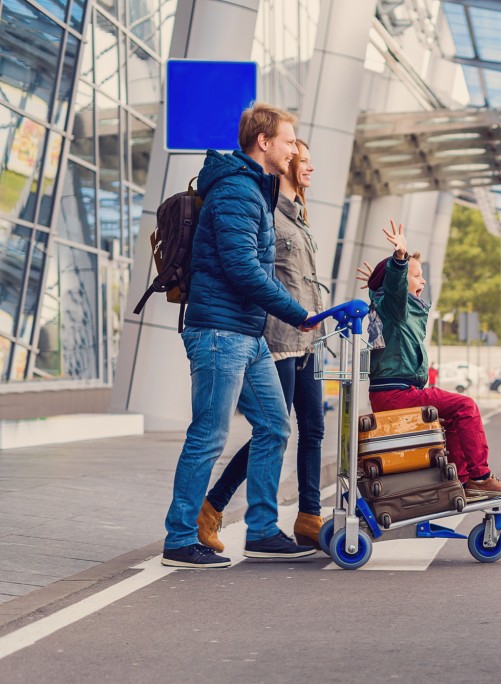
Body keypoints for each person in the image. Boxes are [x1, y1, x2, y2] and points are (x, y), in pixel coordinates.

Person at [161, 103, 320, 569]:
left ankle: (263, 531)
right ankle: (179, 538)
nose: (294, 150)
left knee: (274, 425)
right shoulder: (236, 190)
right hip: (219, 332)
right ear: (264, 142)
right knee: (208, 436)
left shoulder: (253, 189)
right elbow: (242, 267)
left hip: (245, 333)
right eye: (289, 142)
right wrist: (296, 314)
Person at [196, 139, 329, 554]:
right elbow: (256, 273)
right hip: (278, 336)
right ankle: (213, 505)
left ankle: (309, 516)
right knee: (272, 429)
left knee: (313, 428)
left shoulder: (300, 217)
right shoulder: (266, 210)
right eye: (300, 157)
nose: (305, 165)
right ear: (283, 161)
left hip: (309, 337)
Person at [357, 221, 501, 501]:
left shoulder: (390, 307)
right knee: (466, 406)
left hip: (397, 393)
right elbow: (394, 288)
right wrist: (399, 259)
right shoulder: (396, 307)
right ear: (400, 280)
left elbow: (386, 290)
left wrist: (380, 281)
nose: (423, 282)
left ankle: (463, 479)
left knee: (456, 417)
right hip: (397, 393)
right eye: (417, 276)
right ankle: (479, 477)